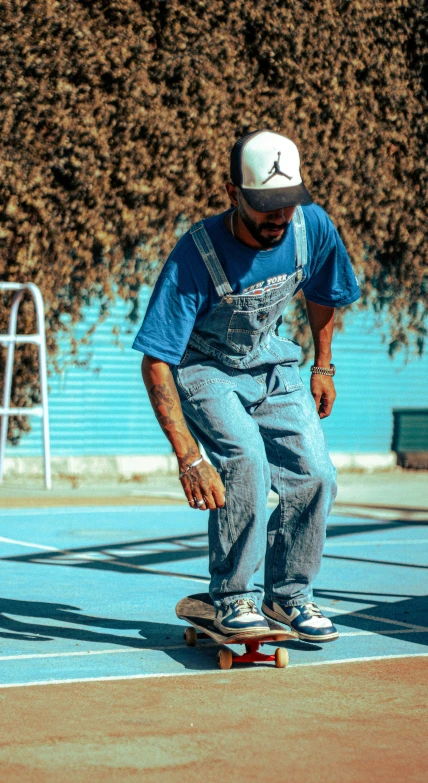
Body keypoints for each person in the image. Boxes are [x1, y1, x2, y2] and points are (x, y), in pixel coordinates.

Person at [133, 130, 361, 642]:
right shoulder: (195, 254)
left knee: (316, 474)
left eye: (286, 204)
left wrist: (323, 367)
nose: (277, 218)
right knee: (247, 462)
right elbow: (155, 362)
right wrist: (189, 458)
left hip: (272, 364)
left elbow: (325, 291)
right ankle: (234, 597)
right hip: (205, 369)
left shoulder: (311, 228)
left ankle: (289, 596)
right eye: (264, 206)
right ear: (232, 191)